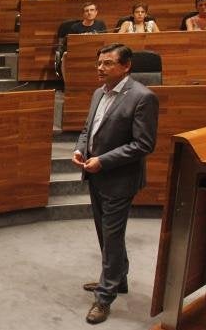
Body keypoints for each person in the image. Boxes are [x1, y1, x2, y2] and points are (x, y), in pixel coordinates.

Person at [72, 43, 158, 324]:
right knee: (106, 233)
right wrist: (80, 149)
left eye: (107, 63)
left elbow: (143, 144)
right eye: (99, 62)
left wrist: (103, 161)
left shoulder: (143, 97)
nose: (100, 68)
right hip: (95, 174)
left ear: (126, 66)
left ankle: (105, 297)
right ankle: (118, 279)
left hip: (120, 179)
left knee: (111, 235)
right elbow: (88, 129)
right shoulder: (99, 92)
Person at [57, 2, 107, 78]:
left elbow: (105, 40)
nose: (89, 13)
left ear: (96, 12)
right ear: (83, 14)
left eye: (92, 10)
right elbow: (69, 45)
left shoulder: (101, 24)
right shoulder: (75, 27)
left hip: (96, 52)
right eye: (87, 11)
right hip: (80, 53)